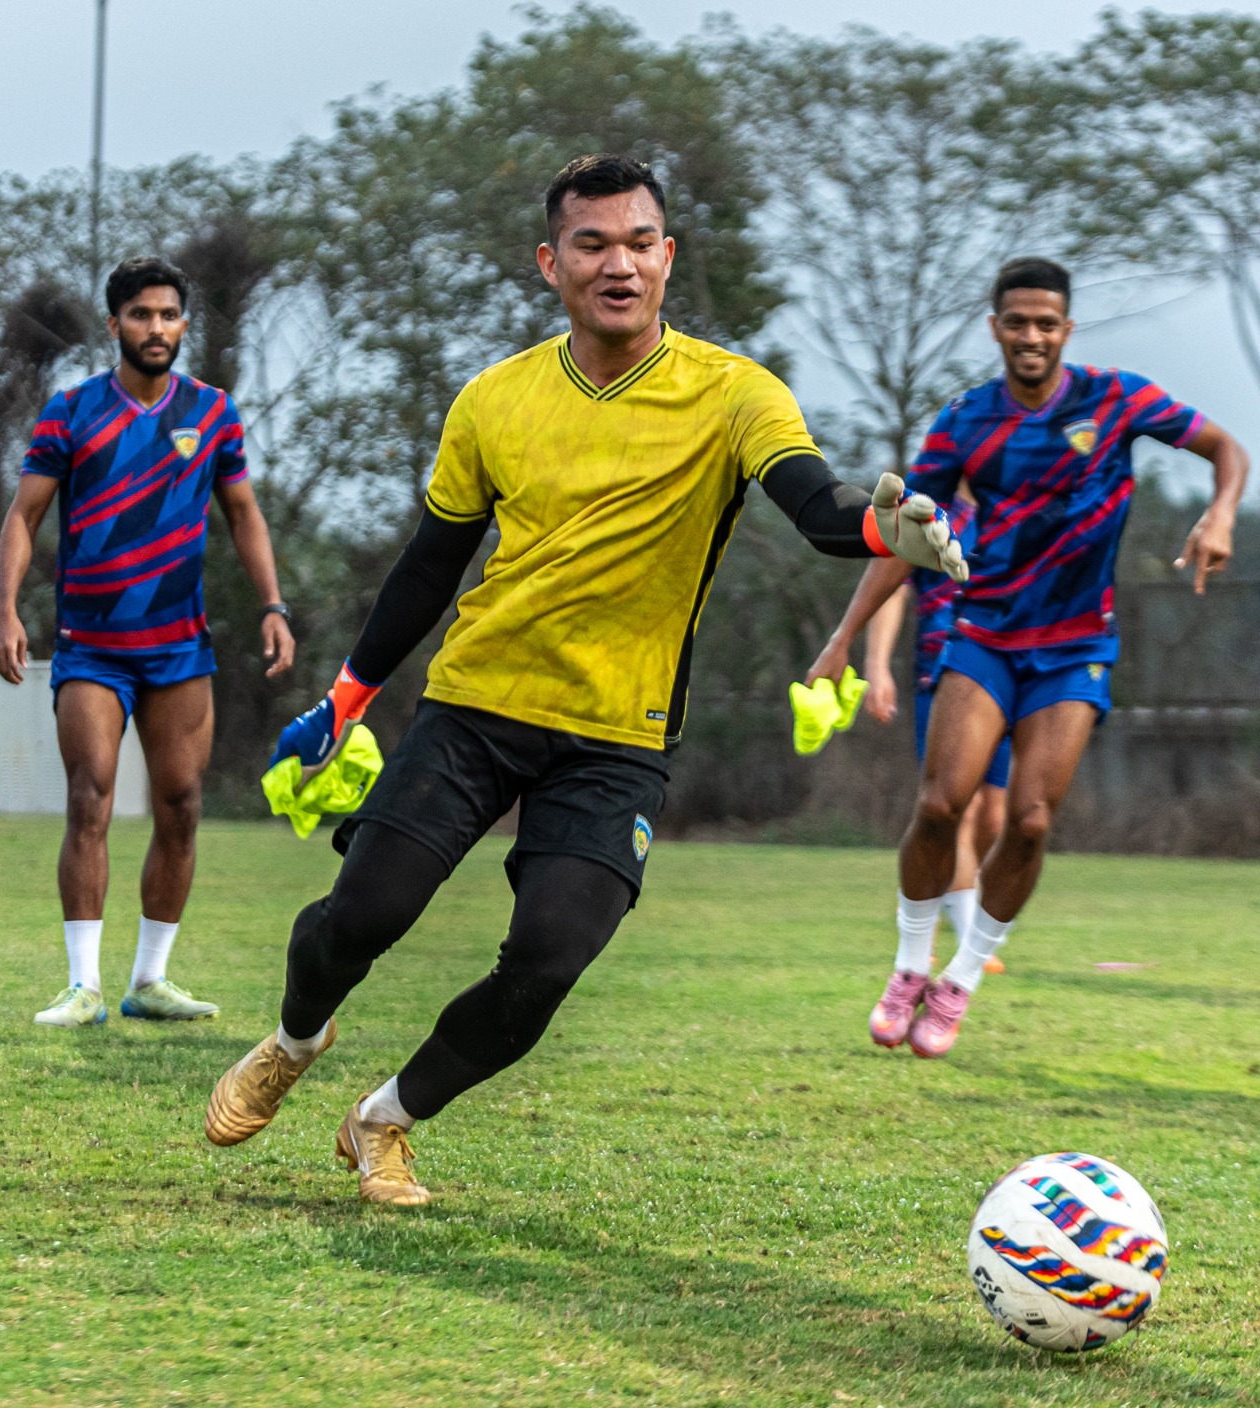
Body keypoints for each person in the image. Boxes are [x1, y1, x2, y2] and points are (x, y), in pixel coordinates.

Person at [204, 154, 966, 1206]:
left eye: (640, 242)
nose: (620, 264)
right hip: (475, 707)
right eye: (592, 244)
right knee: (361, 916)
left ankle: (385, 1119)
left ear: (668, 256)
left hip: (617, 738)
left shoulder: (734, 394)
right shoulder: (494, 399)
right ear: (549, 262)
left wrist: (883, 529)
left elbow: (815, 500)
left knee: (548, 962)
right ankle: (295, 1039)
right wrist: (346, 698)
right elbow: (429, 565)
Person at [808, 256, 1248, 1058]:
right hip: (984, 635)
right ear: (997, 329)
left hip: (1076, 646)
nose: (1033, 336)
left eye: (1047, 323)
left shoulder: (1116, 399)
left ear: (1067, 329)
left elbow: (1226, 448)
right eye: (1018, 322)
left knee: (1032, 820)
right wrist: (843, 638)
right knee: (941, 805)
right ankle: (909, 966)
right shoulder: (965, 421)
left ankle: (960, 980)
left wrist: (1219, 514)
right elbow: (905, 535)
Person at [0, 256, 296, 1028]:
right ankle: (82, 986)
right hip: (91, 644)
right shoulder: (71, 411)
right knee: (89, 794)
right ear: (115, 324)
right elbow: (24, 515)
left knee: (182, 804)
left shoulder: (213, 412)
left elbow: (244, 514)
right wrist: (5, 610)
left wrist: (273, 605)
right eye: (140, 315)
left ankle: (150, 981)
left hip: (179, 648)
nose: (155, 328)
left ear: (184, 324)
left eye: (167, 315)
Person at [857, 491, 1009, 977]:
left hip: (1008, 668)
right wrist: (877, 665)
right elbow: (893, 585)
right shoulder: (930, 511)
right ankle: (968, 937)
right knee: (957, 808)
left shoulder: (1015, 503)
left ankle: (945, 893)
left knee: (995, 816)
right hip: (942, 673)